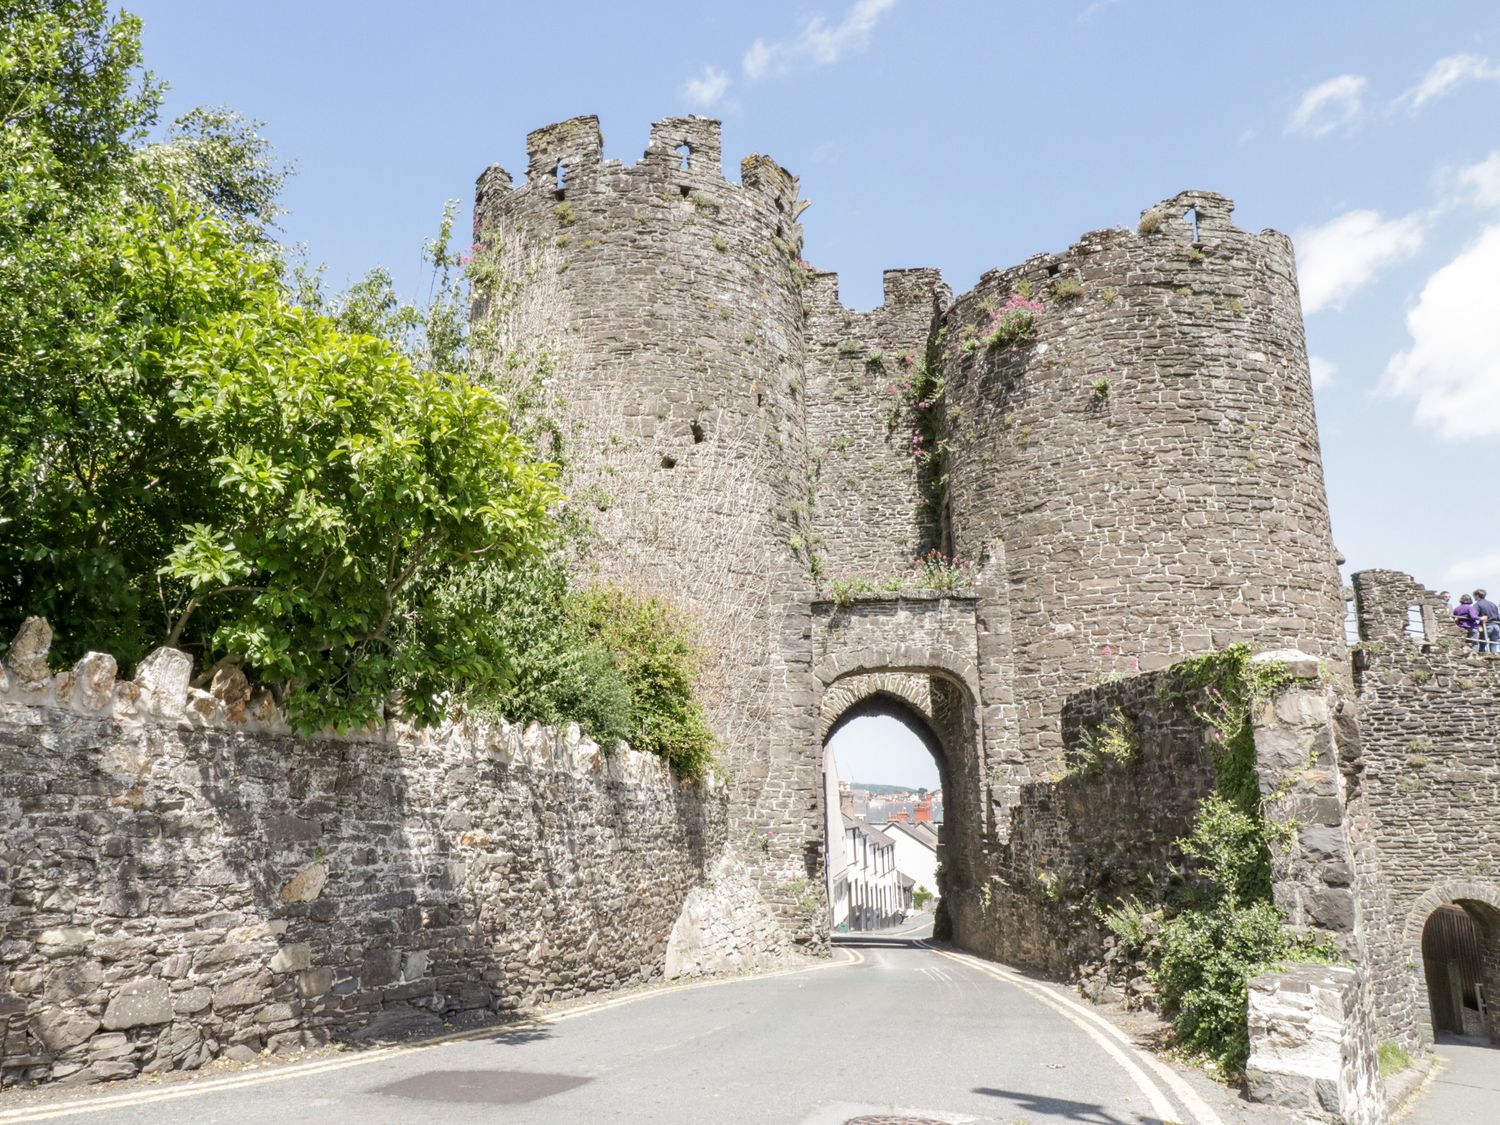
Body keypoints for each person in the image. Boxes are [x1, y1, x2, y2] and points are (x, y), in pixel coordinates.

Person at [1474, 589, 1500, 654]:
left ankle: (1481, 656)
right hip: (1496, 626)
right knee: (1494, 644)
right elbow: (1498, 615)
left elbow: (1474, 615)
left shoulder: (1478, 604)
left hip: (1486, 625)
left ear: (1477, 595)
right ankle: (1493, 657)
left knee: (1482, 642)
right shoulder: (1493, 604)